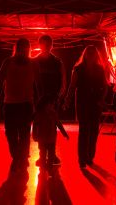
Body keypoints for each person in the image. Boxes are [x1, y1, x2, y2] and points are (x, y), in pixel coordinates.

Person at [0, 38, 34, 171]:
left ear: (28, 49)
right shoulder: (8, 62)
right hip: (10, 103)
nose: (24, 50)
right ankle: (17, 156)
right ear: (17, 48)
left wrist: (37, 102)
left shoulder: (32, 63)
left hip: (26, 103)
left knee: (24, 133)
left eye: (26, 47)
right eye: (22, 47)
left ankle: (21, 157)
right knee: (11, 133)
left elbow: (38, 84)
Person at [64, 45, 107, 168]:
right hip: (83, 103)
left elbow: (104, 86)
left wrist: (101, 100)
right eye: (89, 53)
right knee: (84, 131)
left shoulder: (99, 69)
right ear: (86, 55)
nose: (91, 56)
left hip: (95, 103)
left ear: (96, 55)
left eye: (93, 54)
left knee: (93, 131)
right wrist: (68, 100)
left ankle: (89, 156)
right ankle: (83, 158)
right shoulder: (78, 69)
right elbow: (72, 87)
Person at [33, 35, 66, 165]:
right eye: (44, 44)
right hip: (39, 102)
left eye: (48, 44)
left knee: (51, 128)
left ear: (51, 45)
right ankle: (43, 156)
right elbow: (32, 82)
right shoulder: (35, 62)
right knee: (42, 129)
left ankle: (51, 155)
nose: (46, 46)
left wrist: (58, 98)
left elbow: (63, 82)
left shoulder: (57, 62)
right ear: (40, 44)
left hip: (52, 101)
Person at [32, 95, 69, 169]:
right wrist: (34, 135)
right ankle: (43, 167)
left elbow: (59, 124)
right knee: (42, 154)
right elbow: (35, 125)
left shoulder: (53, 114)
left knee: (51, 155)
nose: (52, 106)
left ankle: (49, 167)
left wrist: (64, 133)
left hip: (51, 139)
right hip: (43, 139)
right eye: (50, 104)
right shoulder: (40, 114)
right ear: (45, 105)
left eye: (52, 105)